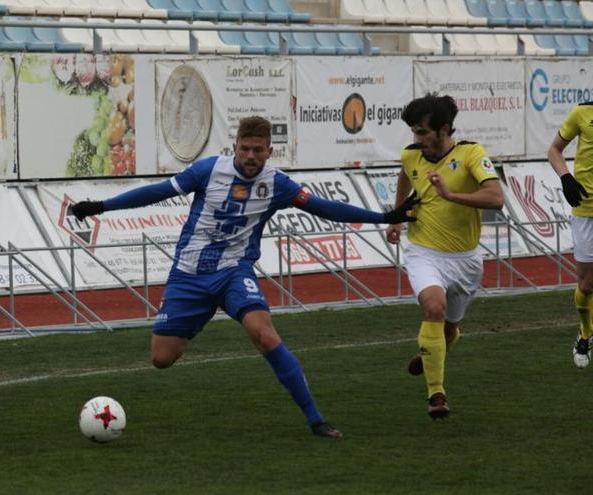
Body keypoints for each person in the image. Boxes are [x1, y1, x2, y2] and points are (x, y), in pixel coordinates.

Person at [71, 116, 418, 439]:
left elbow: (324, 207)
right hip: (189, 275)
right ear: (234, 147)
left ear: (270, 151)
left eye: (258, 150)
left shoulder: (278, 185)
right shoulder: (208, 171)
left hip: (234, 272)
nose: (251, 156)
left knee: (264, 335)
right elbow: (157, 192)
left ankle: (316, 420)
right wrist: (101, 206)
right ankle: (199, 315)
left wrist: (384, 216)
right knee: (161, 358)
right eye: (245, 149)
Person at [385, 94, 504, 419]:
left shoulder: (471, 154)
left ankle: (430, 354)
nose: (417, 139)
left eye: (423, 132)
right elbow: (405, 174)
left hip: (465, 260)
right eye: (414, 132)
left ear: (445, 130)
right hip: (424, 252)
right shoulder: (411, 156)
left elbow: (496, 198)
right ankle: (436, 394)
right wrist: (397, 215)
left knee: (449, 329)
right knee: (433, 307)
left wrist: (451, 195)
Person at [547, 102, 593, 369]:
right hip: (586, 209)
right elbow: (554, 149)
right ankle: (586, 332)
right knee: (587, 286)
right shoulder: (582, 113)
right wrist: (566, 177)